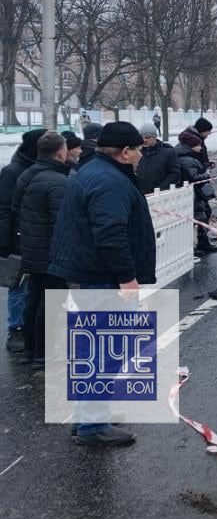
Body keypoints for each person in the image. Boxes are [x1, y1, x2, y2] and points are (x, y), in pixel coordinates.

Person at [49, 121, 155, 447]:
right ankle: (93, 426)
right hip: (102, 279)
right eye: (138, 150)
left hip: (90, 275)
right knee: (104, 351)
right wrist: (127, 278)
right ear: (125, 152)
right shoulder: (109, 181)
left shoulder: (94, 171)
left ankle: (88, 415)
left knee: (92, 348)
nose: (141, 156)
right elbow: (110, 233)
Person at [12, 132, 69, 368]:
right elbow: (62, 222)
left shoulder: (26, 175)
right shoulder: (59, 181)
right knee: (51, 301)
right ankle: (43, 352)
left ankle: (30, 349)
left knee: (33, 298)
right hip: (52, 252)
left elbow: (16, 210)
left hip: (31, 249)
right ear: (60, 152)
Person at [1, 128, 46, 351]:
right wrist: (5, 242)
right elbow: (4, 209)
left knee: (34, 286)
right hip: (18, 238)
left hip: (37, 236)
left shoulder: (39, 167)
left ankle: (31, 327)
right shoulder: (13, 172)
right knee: (18, 284)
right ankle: (16, 329)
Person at [177, 130, 217, 256]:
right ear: (191, 146)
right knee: (199, 218)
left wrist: (206, 165)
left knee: (201, 217)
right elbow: (193, 177)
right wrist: (206, 174)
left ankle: (201, 243)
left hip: (194, 194)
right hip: (194, 195)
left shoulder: (187, 156)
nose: (200, 147)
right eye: (198, 145)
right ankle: (198, 245)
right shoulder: (188, 160)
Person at [135, 122, 180, 194]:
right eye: (141, 137)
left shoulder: (168, 152)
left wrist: (159, 189)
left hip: (160, 194)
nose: (144, 140)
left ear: (154, 137)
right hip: (141, 193)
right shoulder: (137, 152)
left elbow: (174, 174)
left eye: (147, 137)